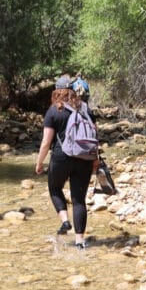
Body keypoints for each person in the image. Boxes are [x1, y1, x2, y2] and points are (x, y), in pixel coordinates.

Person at [34, 75, 97, 249]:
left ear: (56, 91)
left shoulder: (54, 111)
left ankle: (65, 221)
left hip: (61, 157)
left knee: (54, 188)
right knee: (79, 200)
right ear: (72, 90)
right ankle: (79, 242)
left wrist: (39, 163)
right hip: (84, 157)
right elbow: (94, 135)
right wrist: (96, 160)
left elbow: (46, 142)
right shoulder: (85, 109)